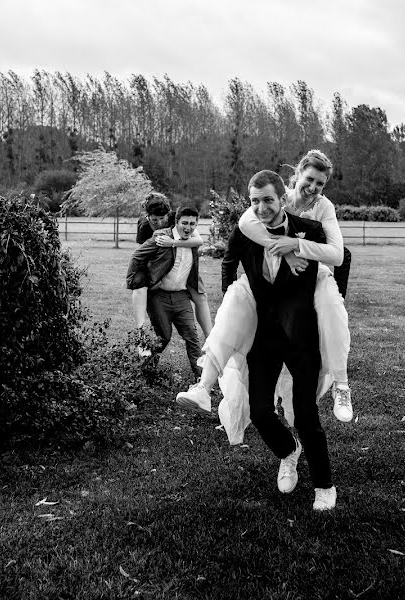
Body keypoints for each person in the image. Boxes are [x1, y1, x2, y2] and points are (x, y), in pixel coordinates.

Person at [176, 149, 354, 423]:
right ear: (297, 175)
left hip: (308, 275)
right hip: (268, 275)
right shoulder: (270, 198)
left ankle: (341, 387)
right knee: (235, 301)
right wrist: (286, 252)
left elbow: (338, 255)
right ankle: (203, 387)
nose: (314, 188)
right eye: (310, 179)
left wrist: (296, 245)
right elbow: (247, 226)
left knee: (331, 307)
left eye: (321, 183)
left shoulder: (323, 207)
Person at [221, 170, 337, 510]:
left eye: (268, 200)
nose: (261, 208)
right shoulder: (245, 234)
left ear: (283, 197)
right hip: (263, 335)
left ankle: (324, 486)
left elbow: (340, 261)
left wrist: (333, 301)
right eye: (254, 201)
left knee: (305, 413)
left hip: (302, 336)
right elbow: (228, 265)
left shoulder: (309, 231)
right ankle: (289, 452)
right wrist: (232, 300)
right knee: (259, 411)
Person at [131, 193, 213, 357]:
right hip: (157, 265)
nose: (159, 223)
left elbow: (198, 241)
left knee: (200, 296)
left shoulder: (177, 217)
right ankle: (140, 335)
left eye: (162, 219)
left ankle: (211, 340)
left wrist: (173, 242)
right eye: (154, 220)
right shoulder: (144, 226)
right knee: (140, 287)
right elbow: (143, 254)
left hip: (183, 263)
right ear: (148, 217)